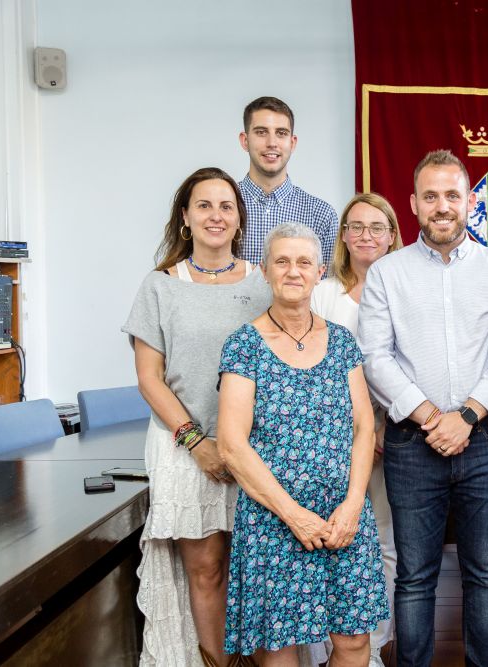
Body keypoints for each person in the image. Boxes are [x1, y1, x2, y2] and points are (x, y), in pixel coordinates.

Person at [359, 150, 488, 667]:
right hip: (413, 441)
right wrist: (433, 418)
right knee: (414, 576)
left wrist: (468, 416)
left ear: (470, 201)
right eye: (430, 196)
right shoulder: (386, 274)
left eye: (452, 195)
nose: (442, 206)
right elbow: (374, 356)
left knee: (485, 571)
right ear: (413, 204)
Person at [217, 223, 389, 667]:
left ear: (318, 273)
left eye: (304, 262)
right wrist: (295, 517)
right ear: (265, 271)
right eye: (282, 261)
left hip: (342, 517)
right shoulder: (244, 346)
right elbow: (233, 446)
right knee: (280, 649)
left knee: (353, 642)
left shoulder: (342, 342)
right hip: (274, 518)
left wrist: (353, 505)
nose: (293, 271)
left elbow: (364, 429)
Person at [123, 167, 270, 667]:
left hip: (257, 450)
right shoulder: (160, 286)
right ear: (185, 217)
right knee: (206, 570)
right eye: (204, 205)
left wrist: (237, 447)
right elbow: (150, 378)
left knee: (258, 568)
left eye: (226, 206)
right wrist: (197, 442)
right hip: (186, 449)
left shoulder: (264, 282)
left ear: (239, 218)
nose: (216, 215)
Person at [310, 193, 404, 667]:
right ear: (343, 236)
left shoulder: (405, 289)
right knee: (326, 538)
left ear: (392, 234)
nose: (366, 235)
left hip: (390, 438)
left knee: (382, 540)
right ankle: (330, 650)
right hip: (328, 442)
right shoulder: (322, 293)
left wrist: (386, 425)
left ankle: (372, 648)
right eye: (356, 226)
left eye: (377, 226)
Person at [237, 96, 339, 269]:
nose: (272, 143)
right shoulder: (222, 208)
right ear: (245, 141)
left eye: (281, 133)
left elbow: (326, 288)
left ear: (292, 143)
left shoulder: (322, 215)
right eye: (261, 132)